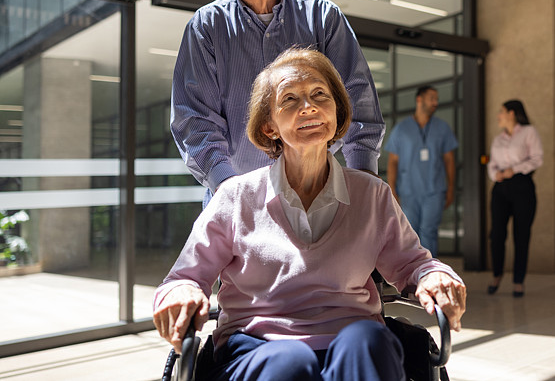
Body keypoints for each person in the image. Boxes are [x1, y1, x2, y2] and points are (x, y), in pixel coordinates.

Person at [153, 49, 466, 381]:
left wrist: (435, 275)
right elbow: (182, 278)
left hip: (354, 336)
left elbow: (414, 264)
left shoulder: (371, 194)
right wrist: (181, 291)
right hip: (257, 344)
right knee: (288, 361)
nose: (309, 106)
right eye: (290, 100)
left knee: (369, 341)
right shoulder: (236, 197)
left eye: (320, 95)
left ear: (336, 112)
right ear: (269, 126)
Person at [171, 0, 383, 206]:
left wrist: (363, 180)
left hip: (318, 193)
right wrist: (231, 193)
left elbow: (357, 99)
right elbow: (196, 120)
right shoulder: (206, 27)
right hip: (234, 197)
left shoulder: (323, 16)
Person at [385, 85, 458, 256]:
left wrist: (451, 187)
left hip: (434, 190)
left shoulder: (442, 128)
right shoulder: (401, 129)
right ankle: (413, 276)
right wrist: (392, 190)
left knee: (429, 231)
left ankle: (429, 274)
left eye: (437, 99)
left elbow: (449, 160)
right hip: (409, 192)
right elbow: (392, 162)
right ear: (419, 100)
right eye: (432, 98)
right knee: (411, 234)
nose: (435, 102)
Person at [485, 100, 543, 298]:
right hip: (500, 188)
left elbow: (537, 158)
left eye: (501, 112)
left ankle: (518, 281)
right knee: (497, 235)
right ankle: (497, 275)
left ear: (512, 113)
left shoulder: (528, 132)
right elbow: (491, 164)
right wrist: (496, 175)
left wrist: (514, 170)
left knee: (521, 235)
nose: (498, 116)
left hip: (522, 187)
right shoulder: (498, 139)